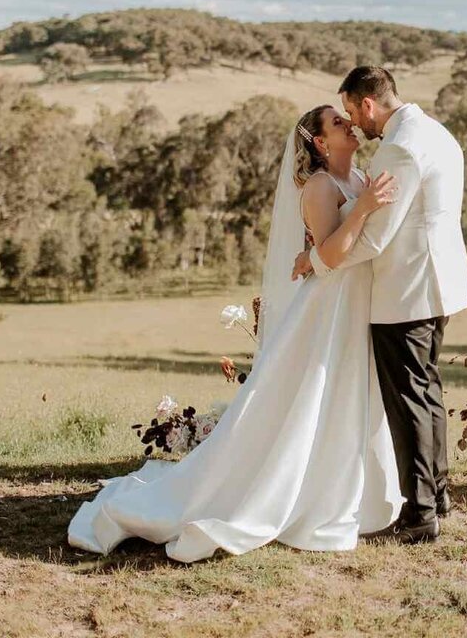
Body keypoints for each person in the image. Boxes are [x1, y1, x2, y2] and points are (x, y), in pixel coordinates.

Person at [67, 104, 403, 563]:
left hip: (359, 304)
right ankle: (287, 497)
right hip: (328, 308)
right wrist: (361, 210)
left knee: (346, 396)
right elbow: (329, 254)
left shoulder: (362, 177)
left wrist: (364, 205)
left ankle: (344, 492)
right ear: (321, 143)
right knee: (312, 398)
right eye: (337, 123)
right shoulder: (321, 187)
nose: (349, 125)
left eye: (347, 119)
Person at [293, 66, 467, 544]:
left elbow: (375, 238)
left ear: (367, 104)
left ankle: (420, 515)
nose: (355, 122)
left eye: (353, 111)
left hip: (408, 288)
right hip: (438, 283)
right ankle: (438, 492)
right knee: (427, 391)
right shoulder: (436, 132)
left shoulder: (400, 147)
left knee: (408, 400)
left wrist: (317, 260)